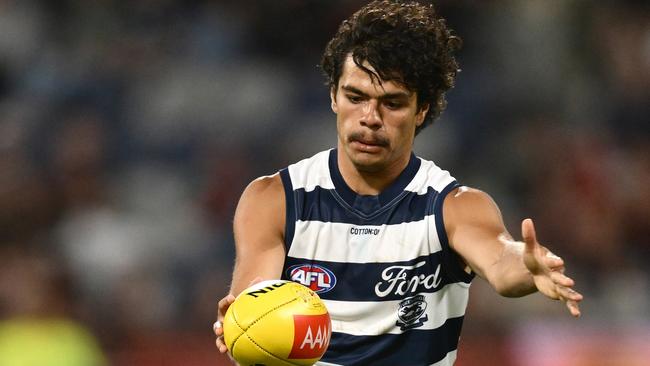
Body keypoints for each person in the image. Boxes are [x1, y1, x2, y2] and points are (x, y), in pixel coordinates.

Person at [213, 1, 583, 365]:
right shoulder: (275, 199)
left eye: (392, 103)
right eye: (355, 97)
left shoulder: (452, 207)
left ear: (422, 109)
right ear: (333, 97)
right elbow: (255, 299)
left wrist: (528, 268)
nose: (370, 118)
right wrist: (243, 320)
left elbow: (501, 261)